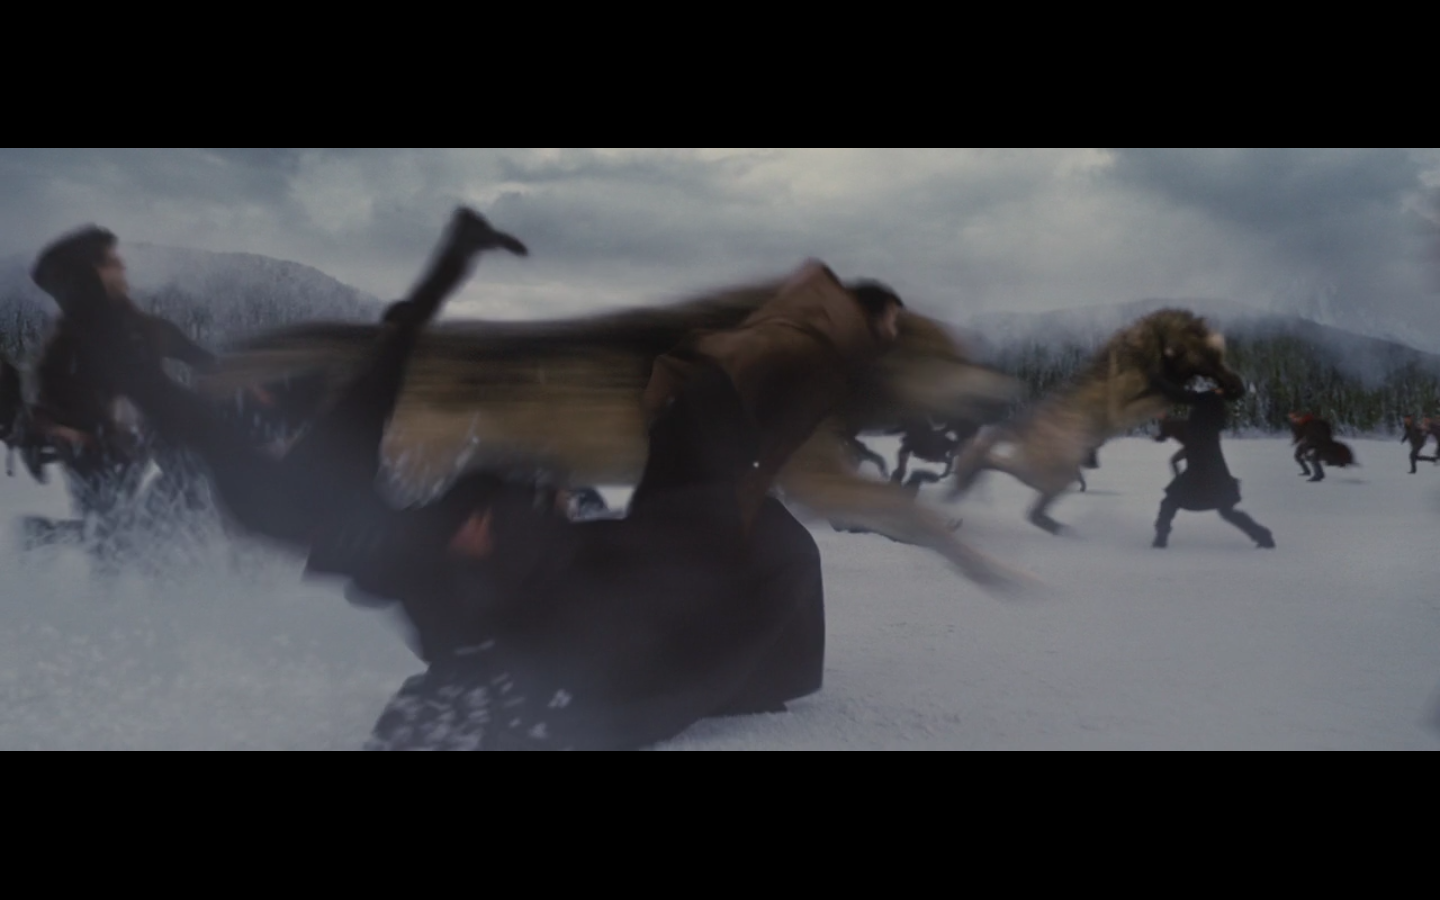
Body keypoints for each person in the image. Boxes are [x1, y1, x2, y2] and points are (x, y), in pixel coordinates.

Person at [43, 208, 845, 750]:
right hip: (442, 570)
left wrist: (456, 257)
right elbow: (164, 396)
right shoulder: (261, 468)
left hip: (444, 557)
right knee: (593, 609)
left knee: (622, 572)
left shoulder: (315, 458)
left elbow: (390, 349)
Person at [1148, 375, 1275, 550]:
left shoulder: (1209, 399)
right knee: (1225, 510)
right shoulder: (1214, 404)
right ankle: (1263, 536)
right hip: (1211, 466)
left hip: (1201, 466)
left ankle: (1161, 538)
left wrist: (1155, 379)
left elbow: (1179, 395)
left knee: (1170, 502)